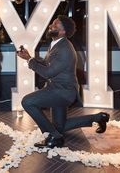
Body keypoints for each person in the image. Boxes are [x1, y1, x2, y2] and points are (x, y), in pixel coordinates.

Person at [17, 15, 109, 148]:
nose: (51, 26)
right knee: (60, 126)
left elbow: (48, 72)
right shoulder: (56, 43)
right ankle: (99, 118)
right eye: (52, 24)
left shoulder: (65, 49)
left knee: (27, 102)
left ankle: (53, 137)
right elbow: (48, 64)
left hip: (62, 92)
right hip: (56, 89)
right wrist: (29, 57)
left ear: (63, 31)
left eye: (55, 25)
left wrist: (30, 61)